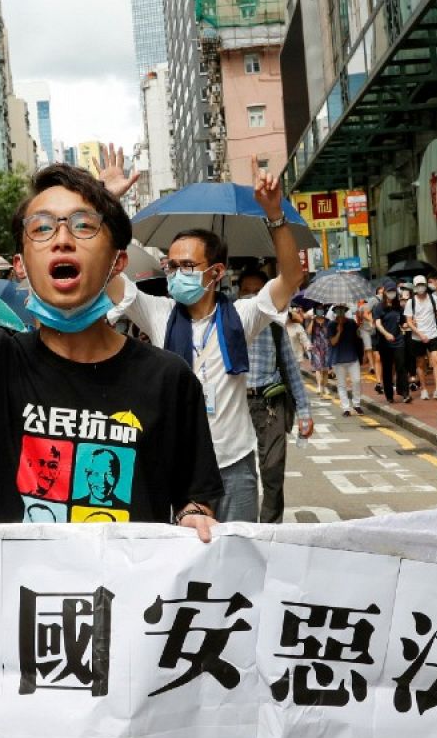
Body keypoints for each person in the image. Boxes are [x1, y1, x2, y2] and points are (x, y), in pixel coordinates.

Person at [0, 26, 222, 537]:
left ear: (118, 261)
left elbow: (195, 497)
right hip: (25, 613)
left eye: (83, 226)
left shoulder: (168, 379)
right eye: (42, 228)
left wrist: (194, 516)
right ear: (21, 265)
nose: (62, 239)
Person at [106, 162, 302, 523]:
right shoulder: (160, 313)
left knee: (237, 563)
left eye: (186, 266)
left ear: (216, 272)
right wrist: (105, 205)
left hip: (235, 466)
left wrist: (274, 215)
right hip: (177, 464)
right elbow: (109, 280)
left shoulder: (242, 316)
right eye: (171, 266)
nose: (176, 274)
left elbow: (291, 277)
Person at [238, 269, 313, 523]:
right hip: (235, 407)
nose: (251, 296)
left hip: (270, 404)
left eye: (256, 291)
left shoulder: (275, 327)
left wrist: (304, 412)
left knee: (272, 468)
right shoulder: (227, 324)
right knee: (239, 471)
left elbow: (290, 368)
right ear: (237, 293)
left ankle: (271, 527)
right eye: (246, 290)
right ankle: (243, 526)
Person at [404, 275, 437, 400]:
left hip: (433, 334)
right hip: (418, 337)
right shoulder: (410, 302)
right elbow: (409, 321)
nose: (420, 287)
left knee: (436, 359)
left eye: (422, 284)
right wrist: (419, 333)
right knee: (420, 363)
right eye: (418, 285)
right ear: (414, 287)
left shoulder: (433, 299)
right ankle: (423, 388)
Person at [373, 282, 408, 403]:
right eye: (389, 291)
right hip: (384, 343)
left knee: (401, 366)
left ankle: (404, 392)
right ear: (385, 293)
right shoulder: (379, 307)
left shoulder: (399, 307)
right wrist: (386, 334)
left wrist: (409, 324)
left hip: (398, 341)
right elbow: (377, 324)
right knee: (387, 369)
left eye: (393, 291)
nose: (391, 294)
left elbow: (403, 322)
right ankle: (389, 395)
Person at [327, 304, 363, 416]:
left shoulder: (352, 323)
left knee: (356, 381)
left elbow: (358, 339)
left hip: (352, 358)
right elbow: (333, 342)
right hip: (338, 359)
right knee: (341, 384)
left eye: (342, 310)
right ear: (335, 312)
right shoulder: (331, 325)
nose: (340, 313)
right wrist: (339, 331)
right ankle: (346, 408)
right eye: (338, 311)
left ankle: (356, 404)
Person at [307, 309, 331, 394]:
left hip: (326, 347)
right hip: (316, 347)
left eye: (321, 309)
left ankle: (325, 386)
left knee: (325, 369)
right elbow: (309, 332)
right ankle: (319, 386)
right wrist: (313, 321)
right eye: (318, 309)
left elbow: (330, 333)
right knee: (318, 368)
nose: (320, 310)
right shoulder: (312, 321)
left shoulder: (328, 321)